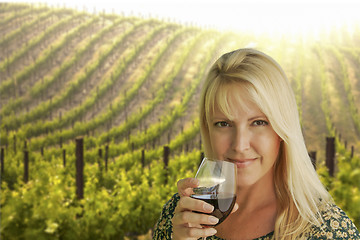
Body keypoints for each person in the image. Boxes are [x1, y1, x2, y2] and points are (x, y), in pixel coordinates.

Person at [152, 48, 360, 239]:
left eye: (258, 122)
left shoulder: (329, 231)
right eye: (223, 123)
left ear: (281, 129)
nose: (240, 145)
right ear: (208, 129)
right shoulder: (182, 216)